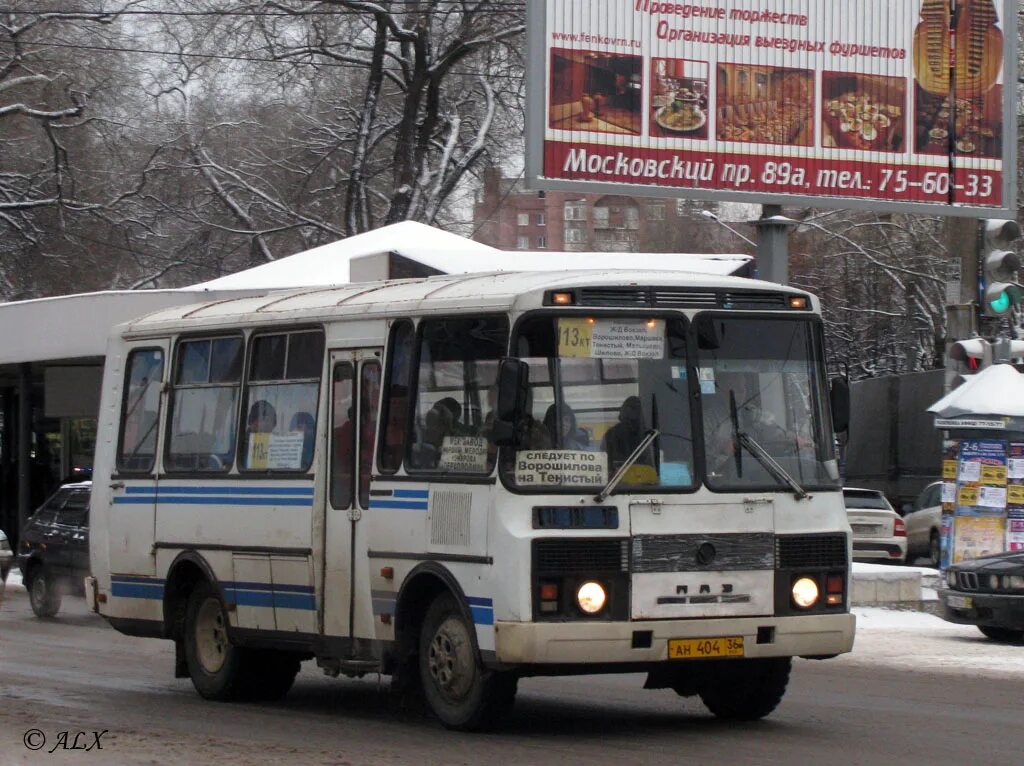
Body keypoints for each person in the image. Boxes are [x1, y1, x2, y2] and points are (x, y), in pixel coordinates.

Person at [602, 396, 655, 472]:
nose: (631, 425)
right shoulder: (610, 435)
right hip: (617, 479)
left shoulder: (650, 435)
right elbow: (604, 463)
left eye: (634, 420)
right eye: (628, 419)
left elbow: (653, 464)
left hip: (645, 479)